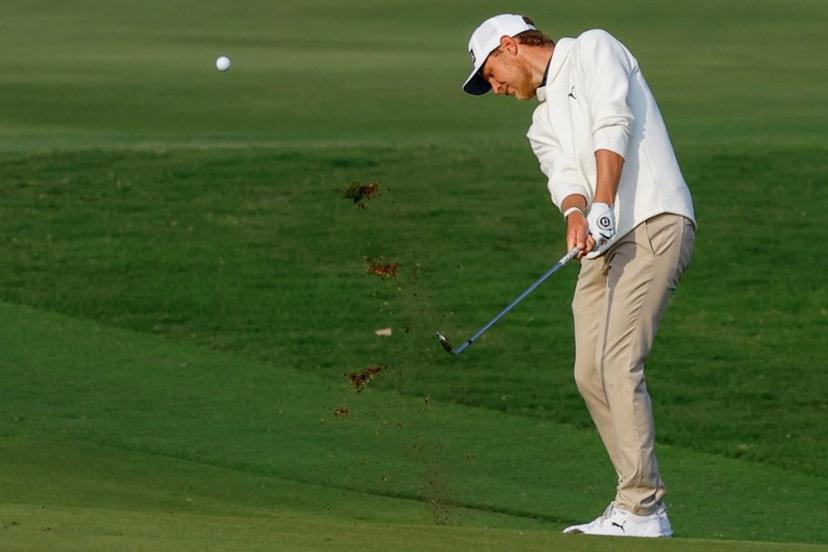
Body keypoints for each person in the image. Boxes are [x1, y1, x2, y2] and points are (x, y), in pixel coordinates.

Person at [462, 14, 696, 538]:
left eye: (490, 73)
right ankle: (636, 502)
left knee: (618, 361)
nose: (494, 87)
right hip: (601, 243)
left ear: (509, 45)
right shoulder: (540, 123)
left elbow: (614, 121)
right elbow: (564, 177)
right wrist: (576, 213)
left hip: (652, 219)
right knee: (590, 371)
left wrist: (605, 201)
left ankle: (642, 508)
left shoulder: (592, 48)